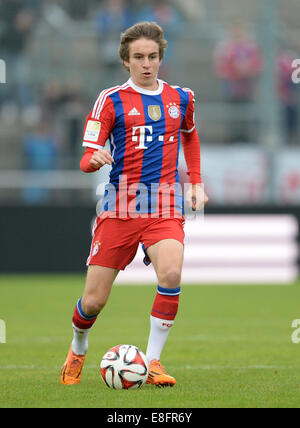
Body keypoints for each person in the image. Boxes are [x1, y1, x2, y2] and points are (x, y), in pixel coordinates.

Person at [61, 21, 208, 387]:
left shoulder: (181, 98)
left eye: (153, 56)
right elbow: (86, 157)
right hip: (120, 206)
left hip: (163, 204)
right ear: (126, 61)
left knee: (171, 273)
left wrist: (195, 183)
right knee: (93, 301)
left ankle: (154, 361)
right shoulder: (110, 100)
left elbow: (190, 137)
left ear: (161, 57)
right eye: (139, 57)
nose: (147, 64)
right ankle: (78, 347)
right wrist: (92, 160)